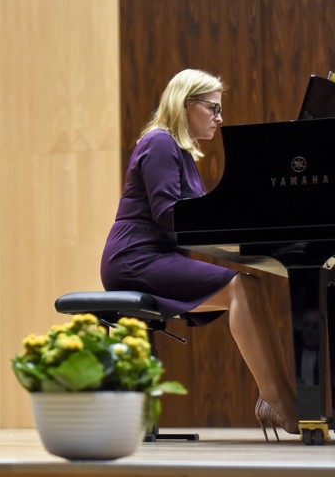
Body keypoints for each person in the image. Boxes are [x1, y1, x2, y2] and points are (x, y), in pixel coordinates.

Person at [100, 69, 297, 441]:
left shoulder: (182, 154)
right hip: (135, 258)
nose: (220, 118)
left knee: (250, 286)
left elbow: (194, 214)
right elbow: (167, 211)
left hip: (157, 255)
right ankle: (280, 401)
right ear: (186, 104)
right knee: (241, 286)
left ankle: (284, 398)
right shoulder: (159, 143)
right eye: (213, 108)